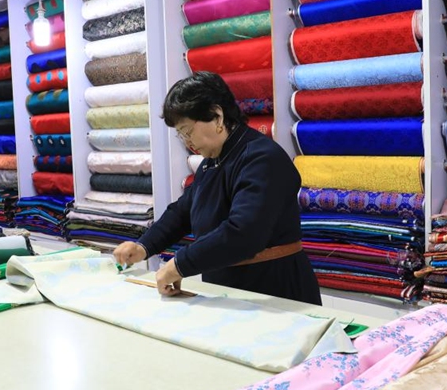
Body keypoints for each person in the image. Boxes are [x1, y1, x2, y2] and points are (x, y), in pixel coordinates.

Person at [113, 72, 321, 305]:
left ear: (217, 116)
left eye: (187, 131)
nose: (187, 142)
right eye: (181, 135)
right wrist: (144, 246)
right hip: (228, 287)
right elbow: (183, 212)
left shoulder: (262, 158)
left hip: (274, 292)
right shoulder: (212, 162)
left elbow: (243, 232)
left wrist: (180, 264)